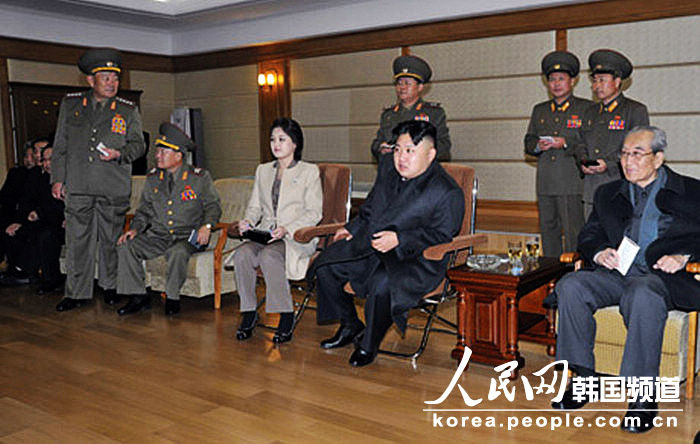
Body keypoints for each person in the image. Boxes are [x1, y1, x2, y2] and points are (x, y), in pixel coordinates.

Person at [552, 126, 700, 433]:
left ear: (658, 158)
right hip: (618, 274)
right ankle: (584, 379)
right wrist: (598, 253)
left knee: (642, 293)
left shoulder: (691, 191)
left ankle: (643, 396)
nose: (627, 161)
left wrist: (684, 255)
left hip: (662, 279)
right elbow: (589, 234)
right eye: (624, 153)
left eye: (637, 154)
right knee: (571, 286)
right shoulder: (608, 193)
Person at [308, 120, 464, 367]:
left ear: (431, 154)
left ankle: (368, 344)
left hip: (416, 259)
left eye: (410, 151)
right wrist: (352, 227)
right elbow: (370, 209)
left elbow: (442, 235)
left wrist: (401, 239)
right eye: (398, 149)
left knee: (383, 284)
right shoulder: (388, 172)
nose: (401, 157)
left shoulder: (446, 191)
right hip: (374, 247)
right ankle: (350, 325)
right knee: (326, 265)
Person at [51, 47, 146, 312]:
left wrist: (120, 154)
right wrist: (57, 179)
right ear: (90, 80)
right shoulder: (71, 105)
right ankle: (76, 292)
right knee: (77, 240)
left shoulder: (127, 110)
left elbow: (139, 146)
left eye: (115, 79)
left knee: (110, 239)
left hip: (112, 185)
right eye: (105, 78)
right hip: (79, 185)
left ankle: (110, 286)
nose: (112, 83)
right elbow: (60, 146)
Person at [231, 117, 322, 344]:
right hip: (265, 233)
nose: (276, 144)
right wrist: (247, 223)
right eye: (272, 139)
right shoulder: (263, 170)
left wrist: (287, 229)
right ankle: (249, 313)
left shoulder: (309, 171)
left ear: (295, 143)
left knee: (269, 255)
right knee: (242, 254)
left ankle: (286, 315)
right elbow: (254, 207)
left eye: (282, 139)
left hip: (295, 236)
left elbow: (314, 212)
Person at [116, 123, 221, 316]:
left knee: (178, 251)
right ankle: (138, 296)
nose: (157, 156)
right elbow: (144, 210)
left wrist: (206, 226)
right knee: (126, 245)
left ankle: (173, 298)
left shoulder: (199, 177)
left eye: (163, 152)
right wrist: (135, 229)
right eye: (157, 152)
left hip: (187, 237)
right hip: (158, 236)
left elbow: (213, 206)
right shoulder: (154, 178)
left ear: (178, 155)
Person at [524, 51, 591, 257]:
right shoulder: (540, 110)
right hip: (545, 181)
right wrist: (537, 145)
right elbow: (528, 141)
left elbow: (590, 143)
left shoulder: (586, 108)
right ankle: (550, 276)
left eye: (561, 79)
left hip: (570, 181)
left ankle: (572, 275)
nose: (556, 84)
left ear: (573, 81)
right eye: (552, 80)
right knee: (548, 231)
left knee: (573, 233)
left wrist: (565, 143)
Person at [579, 49, 649, 218]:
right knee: (592, 241)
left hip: (619, 187)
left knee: (619, 240)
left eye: (602, 80)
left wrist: (609, 164)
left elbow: (640, 149)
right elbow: (580, 142)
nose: (596, 86)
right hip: (591, 189)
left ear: (617, 81)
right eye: (594, 81)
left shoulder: (634, 110)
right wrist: (582, 161)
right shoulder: (589, 112)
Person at [0, 143, 63, 287]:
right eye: (44, 160)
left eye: (50, 160)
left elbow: (61, 206)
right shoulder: (38, 177)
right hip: (44, 219)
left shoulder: (66, 177)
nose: (46, 164)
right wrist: (20, 221)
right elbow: (27, 201)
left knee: (43, 234)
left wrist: (39, 213)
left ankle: (32, 273)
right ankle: (18, 270)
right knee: (16, 229)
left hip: (60, 222)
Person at [370, 55, 451, 161]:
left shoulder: (434, 113)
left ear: (420, 87)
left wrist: (418, 151)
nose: (402, 87)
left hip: (422, 172)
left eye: (407, 83)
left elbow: (444, 146)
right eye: (399, 83)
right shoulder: (389, 115)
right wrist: (381, 149)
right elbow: (376, 144)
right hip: (392, 170)